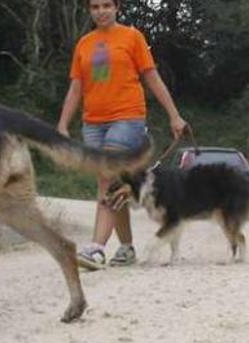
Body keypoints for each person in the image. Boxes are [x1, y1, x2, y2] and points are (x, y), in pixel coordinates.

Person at [57, 0, 188, 270]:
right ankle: (126, 248)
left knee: (107, 180)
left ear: (117, 7)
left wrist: (174, 114)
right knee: (114, 186)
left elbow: (152, 77)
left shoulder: (132, 37)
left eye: (106, 5)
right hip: (92, 122)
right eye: (94, 7)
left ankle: (96, 248)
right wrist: (62, 125)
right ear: (89, 11)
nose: (101, 11)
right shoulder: (84, 43)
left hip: (127, 118)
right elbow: (76, 88)